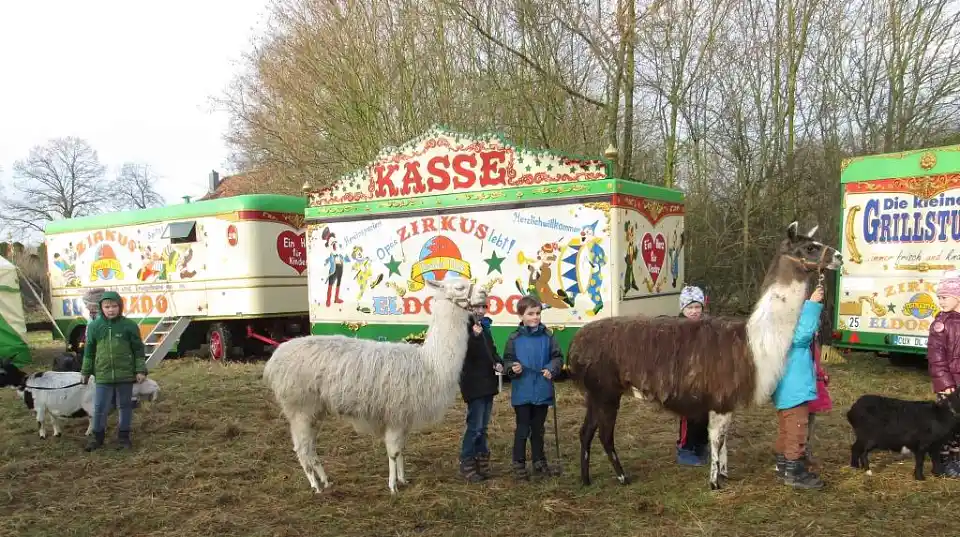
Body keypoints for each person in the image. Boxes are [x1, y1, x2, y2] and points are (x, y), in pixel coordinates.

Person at [503, 295, 563, 481]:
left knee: (538, 428)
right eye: (530, 314)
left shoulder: (548, 336)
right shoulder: (514, 338)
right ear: (521, 316)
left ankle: (539, 460)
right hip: (523, 391)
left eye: (538, 313)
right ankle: (519, 463)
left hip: (542, 390)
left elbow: (558, 357)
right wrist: (513, 368)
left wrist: (551, 369)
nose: (535, 317)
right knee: (523, 428)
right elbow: (506, 360)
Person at [771, 285, 825, 489]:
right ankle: (794, 472)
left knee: (786, 430)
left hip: (785, 389)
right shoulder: (786, 328)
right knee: (797, 431)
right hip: (794, 389)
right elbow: (802, 336)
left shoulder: (775, 324)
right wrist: (812, 305)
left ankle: (783, 464)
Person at [80, 291, 148, 452]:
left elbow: (138, 350)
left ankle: (123, 438)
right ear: (101, 308)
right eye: (107, 307)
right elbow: (89, 352)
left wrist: (140, 370)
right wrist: (85, 372)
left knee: (124, 406)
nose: (111, 310)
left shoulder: (129, 326)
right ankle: (97, 437)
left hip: (125, 375)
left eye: (114, 306)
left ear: (120, 306)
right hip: (103, 375)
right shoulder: (95, 327)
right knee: (100, 407)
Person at [458, 299, 504, 482]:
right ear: (468, 308)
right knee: (474, 426)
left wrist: (499, 362)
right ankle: (467, 461)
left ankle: (481, 458)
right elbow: (465, 354)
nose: (480, 310)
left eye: (483, 306)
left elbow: (491, 351)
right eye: (476, 307)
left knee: (483, 427)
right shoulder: (465, 329)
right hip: (473, 384)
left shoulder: (485, 328)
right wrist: (473, 337)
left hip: (487, 384)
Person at [925, 271, 960, 477]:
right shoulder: (940, 325)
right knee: (948, 424)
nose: (941, 301)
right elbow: (936, 358)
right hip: (949, 385)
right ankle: (943, 460)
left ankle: (956, 459)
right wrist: (945, 383)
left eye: (944, 297)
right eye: (939, 297)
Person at [676, 285, 710, 466]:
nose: (694, 311)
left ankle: (701, 444)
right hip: (686, 380)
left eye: (697, 307)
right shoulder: (678, 330)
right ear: (683, 309)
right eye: (690, 308)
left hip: (705, 378)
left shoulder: (707, 327)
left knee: (704, 414)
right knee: (689, 415)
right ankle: (685, 448)